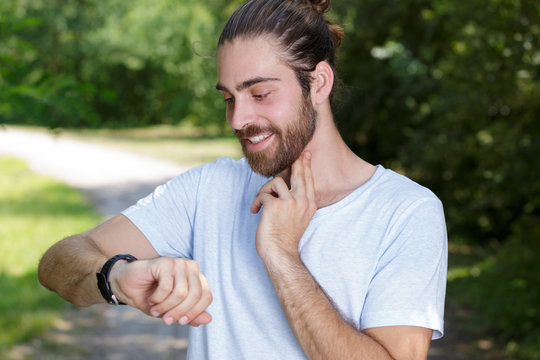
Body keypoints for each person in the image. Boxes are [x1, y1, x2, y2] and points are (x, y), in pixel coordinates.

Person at [38, 0, 448, 359]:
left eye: (260, 93)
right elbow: (59, 263)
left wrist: (281, 255)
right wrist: (117, 276)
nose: (239, 119)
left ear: (318, 82)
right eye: (228, 98)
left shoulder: (406, 212)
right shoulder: (209, 189)